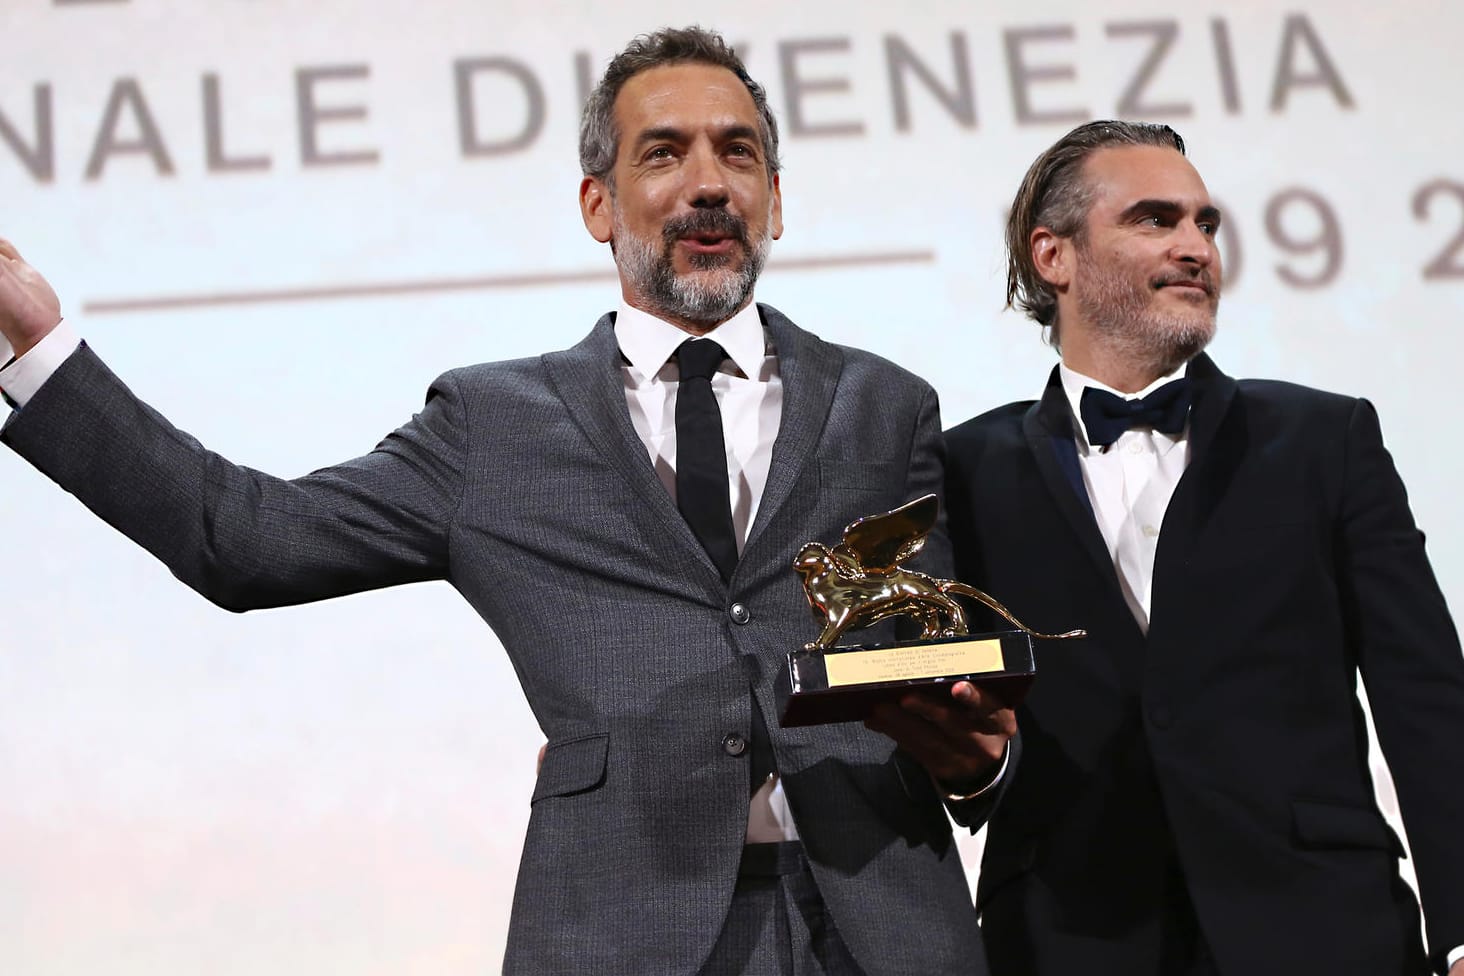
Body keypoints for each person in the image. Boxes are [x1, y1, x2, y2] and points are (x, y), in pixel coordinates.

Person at [0, 27, 1016, 976]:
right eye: (663, 154)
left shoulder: (887, 406)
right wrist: (36, 351)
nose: (708, 183)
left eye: (738, 153)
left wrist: (975, 767)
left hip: (886, 929)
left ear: (777, 200)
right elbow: (243, 539)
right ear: (598, 206)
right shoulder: (496, 424)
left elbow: (939, 684)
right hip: (622, 927)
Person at [943, 119, 1464, 976]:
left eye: (1206, 224)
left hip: (1325, 934)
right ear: (1053, 256)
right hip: (1071, 942)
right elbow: (958, 736)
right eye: (1156, 220)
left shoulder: (1325, 438)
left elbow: (1428, 702)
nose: (1196, 248)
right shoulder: (960, 469)